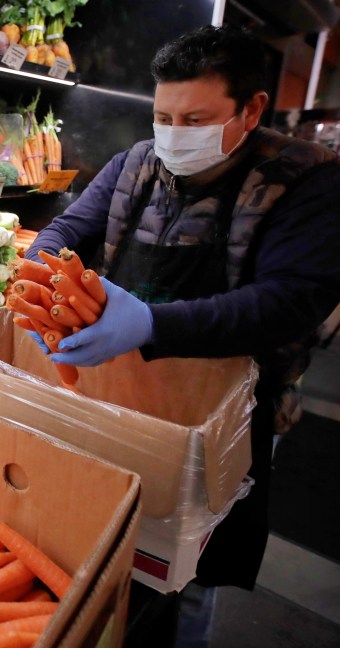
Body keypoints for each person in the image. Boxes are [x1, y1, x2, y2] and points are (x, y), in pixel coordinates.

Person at [25, 24, 340, 646]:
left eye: (195, 118)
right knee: (117, 534)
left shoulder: (310, 181)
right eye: (164, 116)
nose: (173, 134)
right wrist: (44, 295)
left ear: (251, 109)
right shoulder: (136, 163)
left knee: (193, 561)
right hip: (124, 388)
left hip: (230, 410)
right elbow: (64, 234)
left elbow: (286, 304)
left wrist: (149, 323)